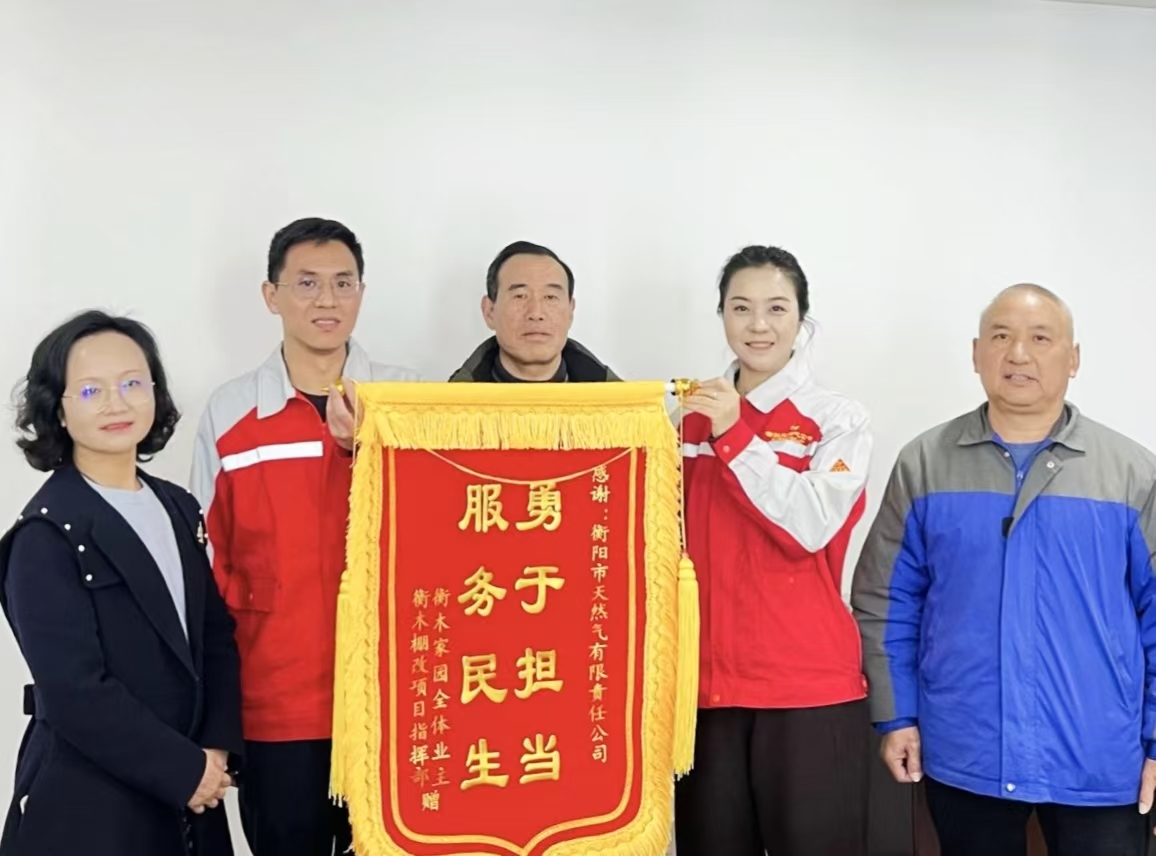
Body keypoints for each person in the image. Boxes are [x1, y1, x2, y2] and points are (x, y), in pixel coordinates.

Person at [852, 284, 1156, 856]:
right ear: (976, 353)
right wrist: (896, 716)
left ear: (1073, 358)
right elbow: (884, 601)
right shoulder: (926, 463)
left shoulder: (1131, 474)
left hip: (1098, 755)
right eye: (1000, 336)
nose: (1018, 353)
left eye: (1040, 338)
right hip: (965, 749)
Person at [190, 217, 418, 856]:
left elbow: (447, 526)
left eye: (343, 283)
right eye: (307, 283)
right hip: (277, 705)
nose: (327, 300)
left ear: (362, 293)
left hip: (395, 700)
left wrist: (366, 444)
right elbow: (204, 563)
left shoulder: (406, 398)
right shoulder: (230, 411)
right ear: (272, 296)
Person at [0, 311, 242, 856]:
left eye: (133, 383)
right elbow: (74, 690)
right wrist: (184, 771)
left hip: (190, 795)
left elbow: (214, 638)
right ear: (58, 410)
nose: (117, 403)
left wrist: (216, 749)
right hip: (92, 801)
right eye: (91, 390)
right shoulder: (44, 533)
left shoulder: (177, 507)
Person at [674, 245, 873, 856]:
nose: (758, 325)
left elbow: (809, 525)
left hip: (806, 688)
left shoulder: (838, 419)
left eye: (776, 308)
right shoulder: (682, 420)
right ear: (721, 315)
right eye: (741, 308)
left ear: (801, 319)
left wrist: (735, 434)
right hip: (705, 689)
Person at [449, 240, 618, 382]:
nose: (536, 313)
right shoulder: (449, 407)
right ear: (489, 311)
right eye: (520, 296)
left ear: (570, 312)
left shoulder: (620, 406)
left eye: (550, 297)